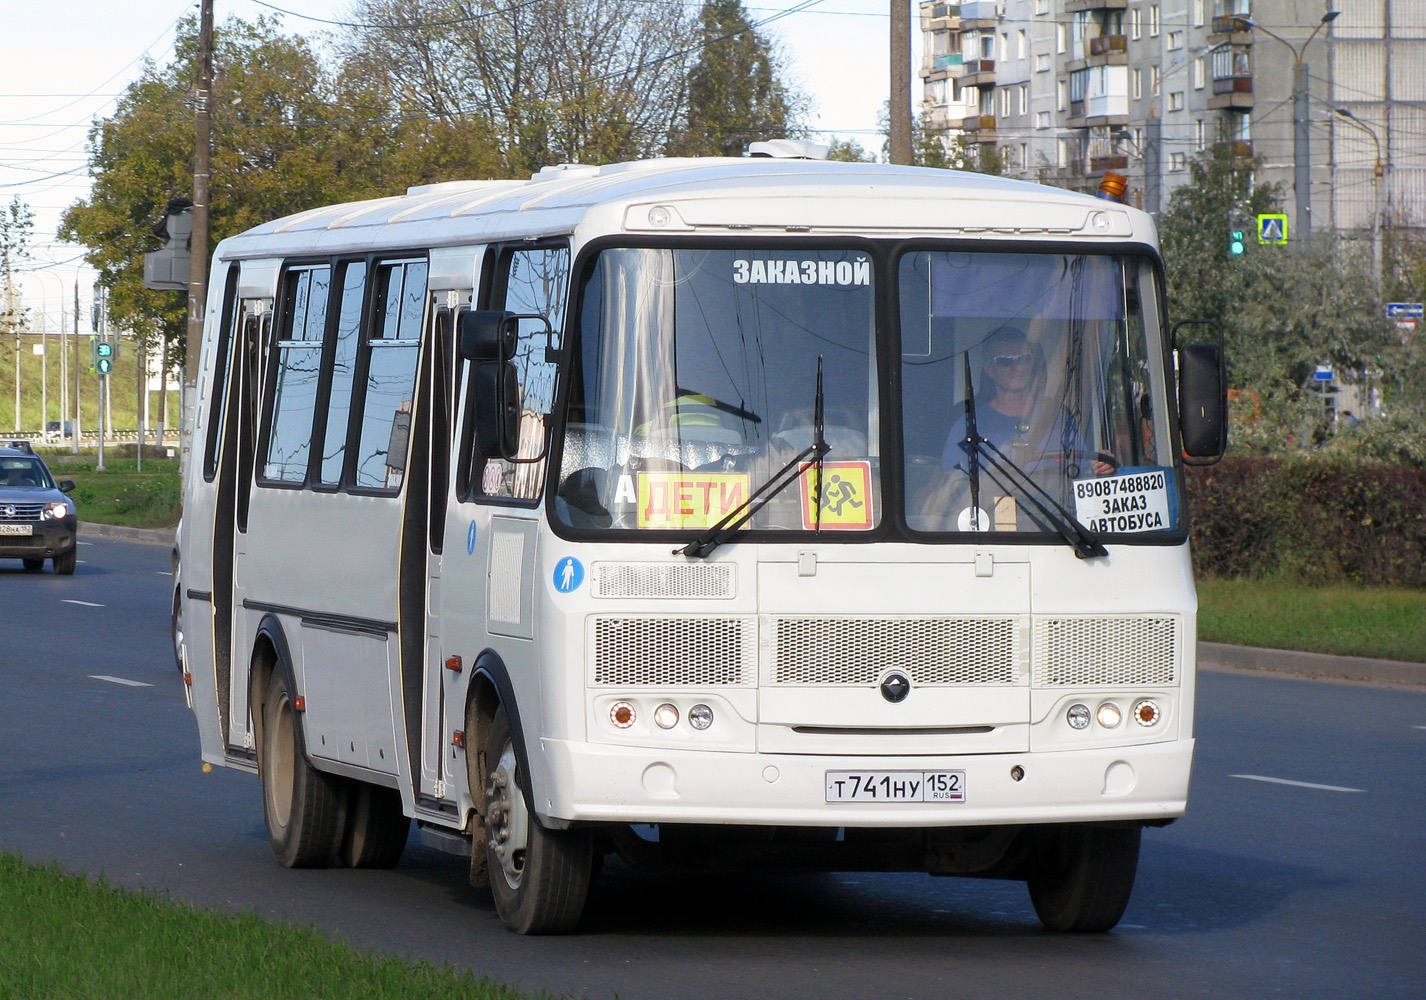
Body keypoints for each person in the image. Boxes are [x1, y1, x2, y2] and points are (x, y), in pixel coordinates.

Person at [941, 326, 1114, 476]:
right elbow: (951, 486)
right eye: (1005, 361)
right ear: (989, 369)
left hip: (1055, 513)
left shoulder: (1058, 419)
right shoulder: (968, 425)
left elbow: (1084, 471)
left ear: (1031, 363)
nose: (1016, 367)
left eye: (1023, 359)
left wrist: (1101, 464)